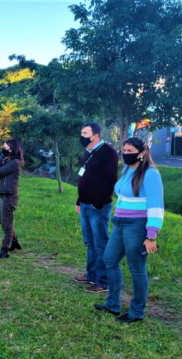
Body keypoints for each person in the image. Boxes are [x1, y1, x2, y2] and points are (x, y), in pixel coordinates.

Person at [94, 137, 164, 323]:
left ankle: (137, 312)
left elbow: (156, 206)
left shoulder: (150, 174)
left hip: (137, 226)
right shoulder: (127, 169)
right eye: (124, 150)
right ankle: (112, 304)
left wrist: (151, 235)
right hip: (120, 223)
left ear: (142, 153)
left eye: (130, 151)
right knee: (110, 259)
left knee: (137, 268)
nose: (125, 154)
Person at [74, 122, 119, 292]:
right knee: (90, 242)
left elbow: (110, 180)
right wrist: (79, 200)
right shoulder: (89, 152)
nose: (82, 136)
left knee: (100, 243)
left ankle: (103, 280)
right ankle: (91, 274)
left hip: (98, 207)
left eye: (85, 133)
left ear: (96, 135)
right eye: (82, 133)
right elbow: (84, 177)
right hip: (85, 204)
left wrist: (98, 202)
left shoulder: (108, 153)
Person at [0, 139, 23, 259]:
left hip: (9, 197)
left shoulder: (14, 162)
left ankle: (4, 250)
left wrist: (1, 158)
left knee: (6, 224)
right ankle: (14, 242)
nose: (3, 149)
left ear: (11, 149)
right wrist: (3, 158)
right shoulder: (9, 160)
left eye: (5, 147)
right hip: (4, 195)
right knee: (4, 222)